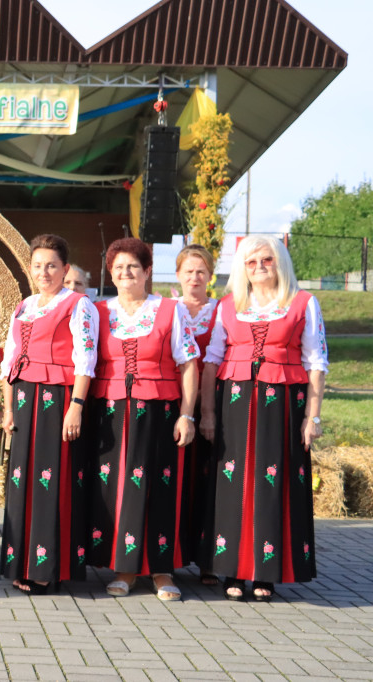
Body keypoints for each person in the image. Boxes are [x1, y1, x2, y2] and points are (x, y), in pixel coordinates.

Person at [199, 236, 327, 602]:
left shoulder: (303, 303)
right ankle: (233, 568)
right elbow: (212, 361)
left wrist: (312, 417)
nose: (258, 268)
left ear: (280, 262)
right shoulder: (228, 305)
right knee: (233, 482)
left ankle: (266, 572)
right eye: (251, 262)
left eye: (266, 260)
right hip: (234, 404)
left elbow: (315, 363)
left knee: (273, 482)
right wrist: (207, 413)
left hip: (281, 402)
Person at [85, 237, 199, 602]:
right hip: (111, 412)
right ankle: (125, 568)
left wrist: (187, 414)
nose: (125, 273)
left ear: (148, 271)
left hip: (159, 412)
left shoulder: (170, 309)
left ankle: (163, 571)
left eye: (132, 266)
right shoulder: (99, 311)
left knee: (158, 488)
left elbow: (189, 364)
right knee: (116, 489)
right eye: (118, 268)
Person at [0, 235, 99, 594]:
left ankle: (46, 567)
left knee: (50, 481)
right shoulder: (24, 306)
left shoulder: (78, 305)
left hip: (57, 400)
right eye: (38, 265)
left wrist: (77, 406)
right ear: (29, 269)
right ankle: (20, 560)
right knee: (22, 481)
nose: (44, 272)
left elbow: (86, 359)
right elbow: (9, 361)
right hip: (25, 398)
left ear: (65, 269)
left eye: (52, 265)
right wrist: (8, 408)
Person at [172, 244, 219, 584]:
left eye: (201, 271)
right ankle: (168, 554)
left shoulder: (222, 311)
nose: (194, 277)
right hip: (172, 405)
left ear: (211, 276)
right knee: (172, 482)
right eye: (188, 271)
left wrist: (207, 409)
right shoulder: (166, 310)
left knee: (209, 483)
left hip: (211, 406)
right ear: (177, 275)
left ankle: (208, 561)